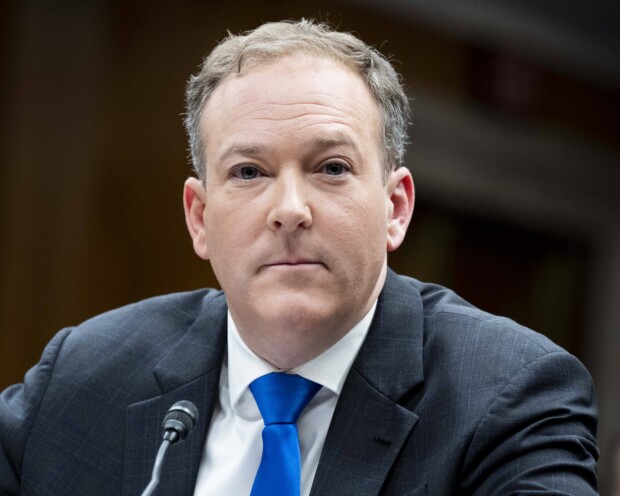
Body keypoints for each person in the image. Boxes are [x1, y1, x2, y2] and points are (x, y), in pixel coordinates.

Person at [0, 19, 598, 496]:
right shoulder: (82, 375)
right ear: (200, 218)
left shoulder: (510, 396)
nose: (289, 209)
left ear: (395, 207)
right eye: (249, 172)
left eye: (331, 168)